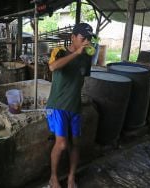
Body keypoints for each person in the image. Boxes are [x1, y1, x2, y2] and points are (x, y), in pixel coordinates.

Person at [46, 23, 94, 188]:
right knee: (62, 144)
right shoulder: (59, 51)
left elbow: (81, 78)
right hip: (57, 105)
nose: (86, 41)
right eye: (83, 38)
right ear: (73, 37)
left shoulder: (87, 58)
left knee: (75, 144)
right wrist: (76, 54)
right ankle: (53, 178)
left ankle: (71, 177)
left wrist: (83, 54)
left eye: (89, 38)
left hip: (75, 106)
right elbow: (52, 66)